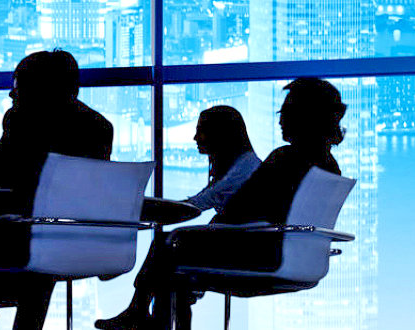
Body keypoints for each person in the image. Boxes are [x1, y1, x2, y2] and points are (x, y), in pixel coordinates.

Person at [121, 78, 348, 330]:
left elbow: (241, 209)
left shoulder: (286, 158)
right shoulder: (329, 166)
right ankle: (142, 314)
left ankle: (140, 313)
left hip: (260, 255)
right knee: (176, 260)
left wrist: (208, 230)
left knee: (170, 247)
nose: (280, 120)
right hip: (293, 259)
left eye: (285, 113)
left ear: (303, 116)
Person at [0, 50, 113, 330]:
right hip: (78, 240)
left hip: (23, 240)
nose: (11, 94)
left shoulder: (25, 119)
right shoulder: (100, 127)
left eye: (16, 85)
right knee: (38, 254)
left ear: (36, 88)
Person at [93, 105, 262, 330]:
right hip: (236, 244)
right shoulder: (242, 164)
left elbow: (197, 204)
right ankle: (141, 312)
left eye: (201, 130)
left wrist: (143, 205)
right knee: (170, 274)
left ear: (221, 133)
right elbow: (198, 203)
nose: (194, 137)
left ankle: (138, 311)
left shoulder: (245, 167)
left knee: (165, 248)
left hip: (240, 250)